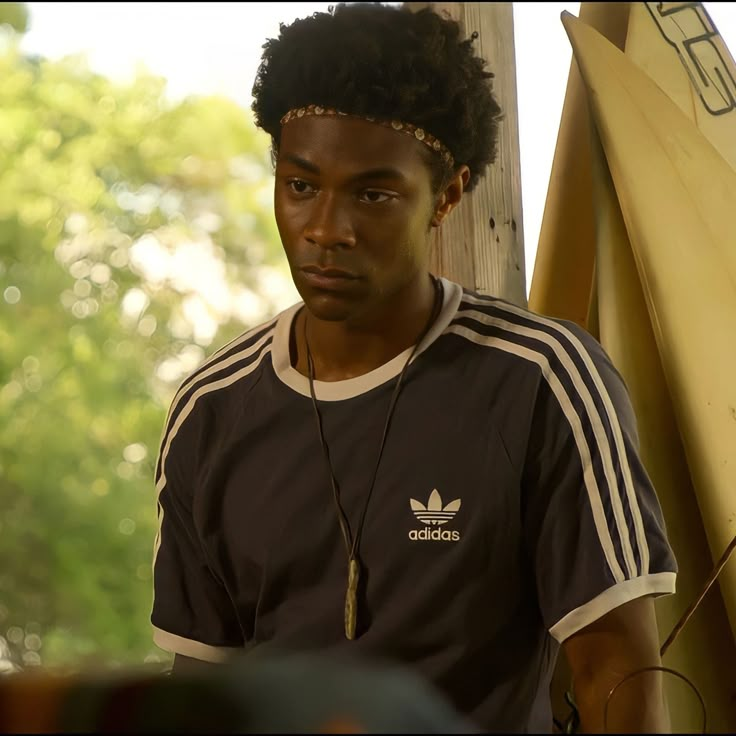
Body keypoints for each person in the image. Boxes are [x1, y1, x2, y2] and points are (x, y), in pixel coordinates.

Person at [150, 3, 677, 732]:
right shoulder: (211, 410)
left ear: (448, 195)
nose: (326, 229)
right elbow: (201, 692)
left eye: (372, 194)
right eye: (301, 186)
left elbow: (616, 670)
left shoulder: (542, 381)